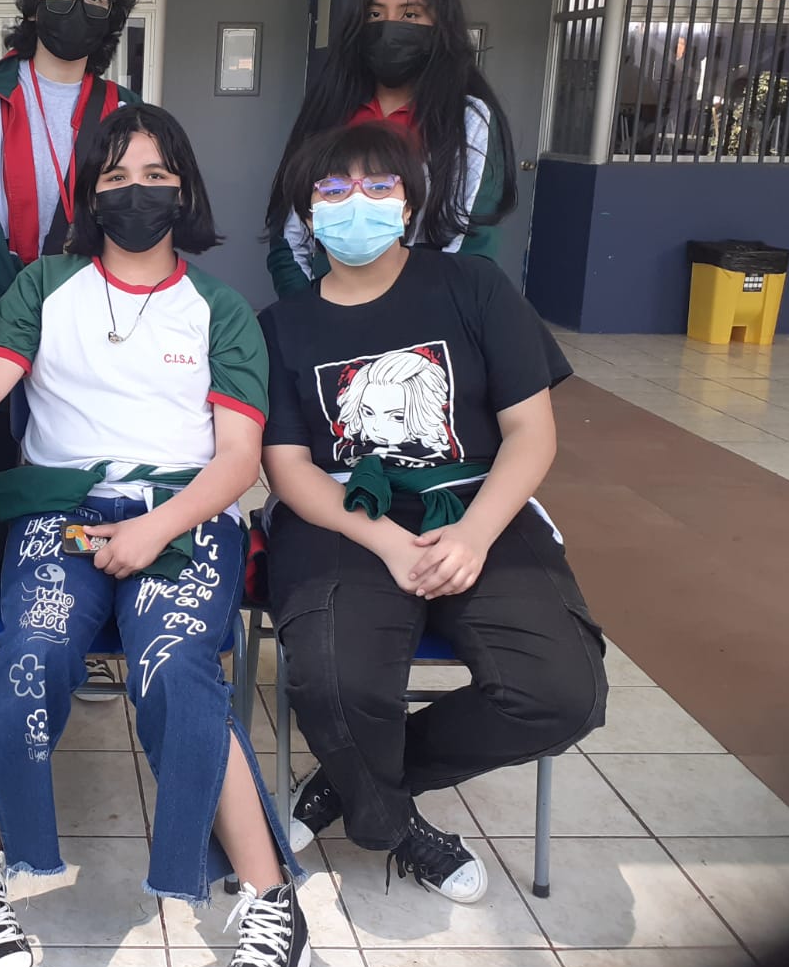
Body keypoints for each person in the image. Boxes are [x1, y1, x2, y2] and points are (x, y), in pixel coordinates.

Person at [0, 105, 310, 967]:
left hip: (184, 517)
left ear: (183, 190)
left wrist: (157, 527)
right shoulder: (45, 284)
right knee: (28, 652)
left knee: (177, 665)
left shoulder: (221, 309)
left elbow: (239, 459)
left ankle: (273, 904)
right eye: (114, 176)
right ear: (88, 194)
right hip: (58, 512)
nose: (135, 192)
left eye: (155, 174)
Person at [258, 121, 608, 904]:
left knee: (563, 694)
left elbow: (531, 432)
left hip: (480, 506)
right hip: (346, 520)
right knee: (335, 679)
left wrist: (476, 534)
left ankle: (353, 780)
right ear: (307, 213)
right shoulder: (281, 326)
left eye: (378, 186)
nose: (356, 202)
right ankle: (392, 821)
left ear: (411, 202)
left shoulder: (473, 288)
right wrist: (387, 542)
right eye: (333, 189)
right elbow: (288, 467)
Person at [0, 0, 140, 606]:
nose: (76, 7)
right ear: (33, 5)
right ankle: (3, 596)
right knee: (4, 470)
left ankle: (73, 602)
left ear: (111, 16)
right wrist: (27, 306)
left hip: (91, 319)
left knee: (81, 465)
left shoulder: (122, 109)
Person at [264, 0, 517, 297]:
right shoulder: (330, 110)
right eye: (375, 14)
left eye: (410, 14)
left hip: (425, 310)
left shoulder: (467, 121)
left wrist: (410, 316)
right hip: (326, 301)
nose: (389, 28)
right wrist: (308, 308)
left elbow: (472, 243)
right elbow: (289, 231)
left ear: (441, 24)